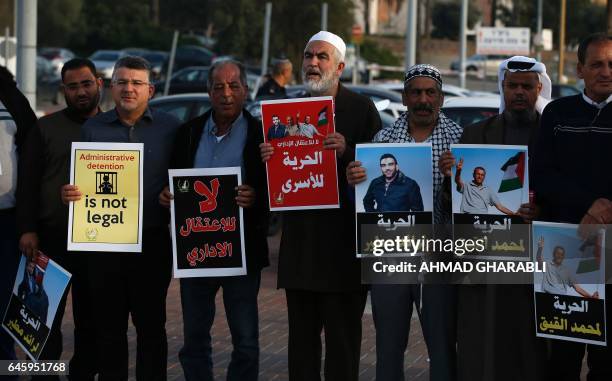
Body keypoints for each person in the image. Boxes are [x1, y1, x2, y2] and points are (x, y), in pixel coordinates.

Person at [260, 31, 381, 380]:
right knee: (301, 344)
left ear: (340, 66)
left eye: (321, 57)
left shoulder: (361, 110)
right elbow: (276, 182)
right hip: (301, 249)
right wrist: (268, 156)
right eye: (308, 55)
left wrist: (349, 150)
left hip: (344, 253)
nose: (312, 63)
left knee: (343, 345)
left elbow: (379, 172)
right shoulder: (286, 114)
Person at [61, 56, 181, 380]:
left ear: (150, 90)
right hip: (105, 245)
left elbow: (184, 178)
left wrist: (173, 194)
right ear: (111, 87)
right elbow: (80, 182)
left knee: (152, 330)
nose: (129, 88)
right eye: (122, 82)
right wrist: (70, 194)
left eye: (137, 83)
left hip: (152, 242)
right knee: (109, 331)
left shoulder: (171, 128)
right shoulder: (92, 129)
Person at [347, 63, 462, 381]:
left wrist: (456, 179)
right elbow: (364, 202)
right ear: (404, 97)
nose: (423, 99)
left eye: (430, 92)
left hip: (439, 257)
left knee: (441, 346)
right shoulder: (382, 140)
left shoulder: (459, 141)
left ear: (440, 98)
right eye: (416, 92)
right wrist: (353, 178)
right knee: (388, 346)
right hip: (389, 257)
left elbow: (467, 209)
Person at [439, 55, 551, 381]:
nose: (519, 92)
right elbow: (455, 200)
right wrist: (450, 178)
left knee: (530, 341)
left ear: (538, 88)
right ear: (502, 87)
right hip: (483, 256)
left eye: (526, 87)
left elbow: (563, 188)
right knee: (481, 337)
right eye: (512, 85)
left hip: (533, 256)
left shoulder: (551, 134)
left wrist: (541, 209)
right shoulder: (475, 134)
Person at [159, 59, 269, 381]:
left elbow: (277, 192)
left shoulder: (263, 137)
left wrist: (256, 198)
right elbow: (172, 181)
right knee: (194, 338)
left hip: (242, 254)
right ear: (208, 92)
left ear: (246, 91)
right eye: (218, 86)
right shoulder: (188, 133)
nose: (226, 93)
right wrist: (166, 195)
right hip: (196, 251)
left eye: (234, 85)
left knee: (246, 341)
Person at [16, 57, 103, 380]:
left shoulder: (113, 128)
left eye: (86, 84)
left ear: (99, 84)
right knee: (44, 321)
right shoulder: (45, 128)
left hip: (98, 243)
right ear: (63, 90)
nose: (81, 92)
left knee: (90, 322)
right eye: (73, 86)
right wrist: (27, 229)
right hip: (51, 239)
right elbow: (27, 183)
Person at [533, 33, 612, 381]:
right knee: (563, 355)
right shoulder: (557, 113)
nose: (606, 71)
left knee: (606, 359)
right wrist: (589, 205)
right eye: (597, 64)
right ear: (580, 69)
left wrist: (605, 210)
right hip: (565, 245)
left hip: (611, 250)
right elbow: (542, 173)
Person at [0, 65, 36, 371]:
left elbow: (32, 154)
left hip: (6, 221)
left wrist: (27, 223)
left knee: (5, 298)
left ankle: (5, 367)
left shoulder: (10, 97)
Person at [17, 255, 49, 322]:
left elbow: (43, 321)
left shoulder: (44, 299)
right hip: (27, 306)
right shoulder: (26, 278)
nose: (31, 269)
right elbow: (21, 287)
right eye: (30, 267)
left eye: (33, 268)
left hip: (39, 306)